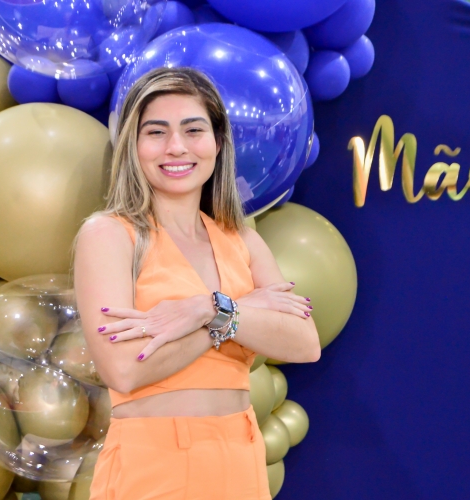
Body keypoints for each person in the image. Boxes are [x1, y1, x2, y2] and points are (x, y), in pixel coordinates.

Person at [74, 66, 321, 500]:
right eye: (156, 132)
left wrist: (207, 308)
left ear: (217, 142)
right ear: (133, 145)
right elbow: (124, 370)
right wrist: (227, 314)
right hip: (154, 465)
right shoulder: (109, 235)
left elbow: (304, 342)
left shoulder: (242, 239)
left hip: (241, 460)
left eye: (193, 130)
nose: (176, 147)